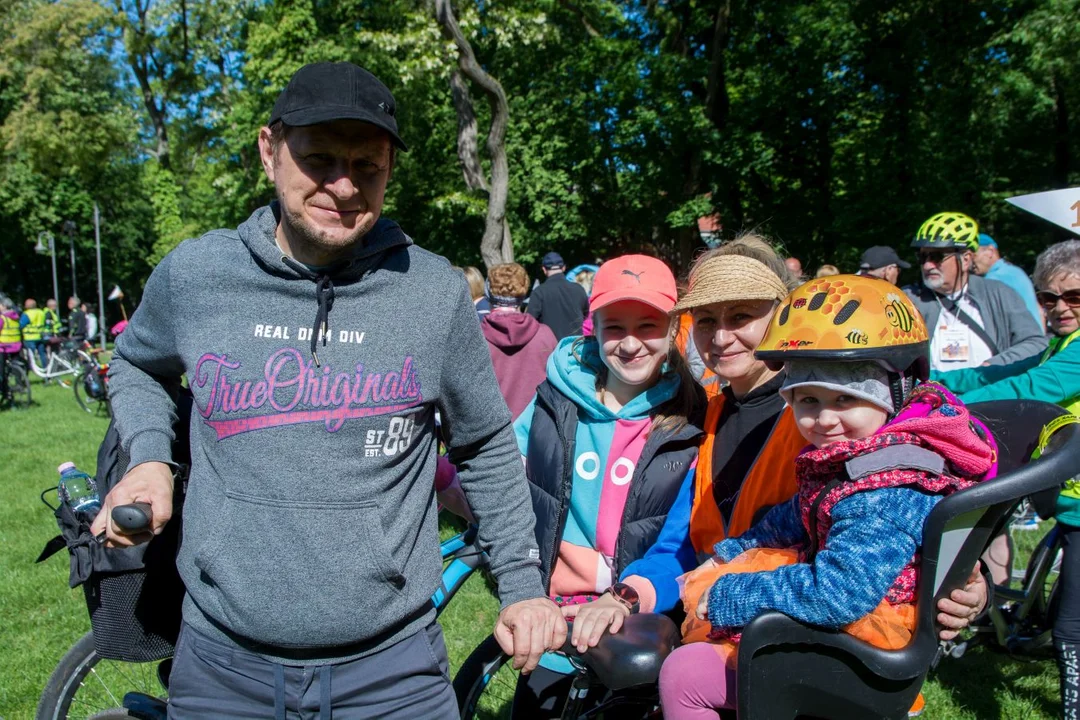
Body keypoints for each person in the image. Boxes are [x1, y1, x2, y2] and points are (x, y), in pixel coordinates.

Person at [91, 61, 565, 719]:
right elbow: (136, 363)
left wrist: (522, 586)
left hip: (394, 674)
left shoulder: (431, 293)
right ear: (269, 150)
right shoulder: (199, 275)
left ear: (390, 168)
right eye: (318, 160)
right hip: (225, 671)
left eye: (366, 167)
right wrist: (148, 457)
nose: (342, 186)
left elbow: (484, 442)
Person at [567, 237, 987, 672]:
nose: (721, 336)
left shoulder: (826, 421)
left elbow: (908, 505)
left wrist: (968, 582)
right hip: (712, 625)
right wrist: (625, 597)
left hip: (809, 650)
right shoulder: (705, 413)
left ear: (782, 316)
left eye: (742, 316)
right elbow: (680, 544)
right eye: (707, 319)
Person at [658, 275, 998, 719]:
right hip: (840, 632)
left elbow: (840, 593)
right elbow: (794, 515)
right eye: (807, 400)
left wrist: (730, 593)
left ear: (894, 395)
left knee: (685, 674)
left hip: (860, 650)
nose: (824, 419)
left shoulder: (886, 486)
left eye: (845, 398)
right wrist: (731, 552)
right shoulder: (855, 459)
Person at [511, 254, 706, 716]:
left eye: (649, 325)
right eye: (615, 326)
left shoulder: (695, 416)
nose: (631, 343)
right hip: (553, 614)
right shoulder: (554, 399)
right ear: (592, 327)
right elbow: (502, 473)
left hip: (641, 620)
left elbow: (688, 532)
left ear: (674, 329)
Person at [933, 239, 1080, 720]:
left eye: (1074, 297)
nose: (1059, 308)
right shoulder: (1064, 342)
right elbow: (1005, 369)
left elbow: (1035, 387)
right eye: (1048, 298)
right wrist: (934, 381)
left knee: (1072, 628)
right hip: (1068, 500)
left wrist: (950, 408)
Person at [904, 212, 1046, 372]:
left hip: (987, 392)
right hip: (931, 394)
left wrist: (992, 367)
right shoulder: (908, 300)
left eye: (936, 257)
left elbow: (1035, 343)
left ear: (965, 259)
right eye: (923, 257)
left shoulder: (999, 293)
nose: (927, 266)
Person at [481, 263, 557, 420]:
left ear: (488, 292)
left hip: (492, 434)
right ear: (523, 293)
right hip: (535, 429)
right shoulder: (545, 335)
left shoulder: (474, 338)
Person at [973, 233, 1043, 326]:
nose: (969, 261)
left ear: (990, 251)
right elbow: (1039, 311)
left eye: (973, 255)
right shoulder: (1015, 271)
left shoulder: (993, 280)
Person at [527, 252, 589, 340]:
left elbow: (530, 321)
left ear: (544, 269)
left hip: (551, 348)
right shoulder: (579, 289)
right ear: (563, 267)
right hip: (576, 347)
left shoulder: (539, 292)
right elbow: (586, 314)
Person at [0, 294, 22, 395]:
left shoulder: (2, 318)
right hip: (16, 345)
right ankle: (19, 383)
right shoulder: (16, 317)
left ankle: (3, 387)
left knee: (1, 369)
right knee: (16, 365)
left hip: (4, 347)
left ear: (4, 306)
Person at [20, 298, 48, 368]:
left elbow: (21, 325)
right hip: (40, 337)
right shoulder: (41, 312)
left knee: (31, 355)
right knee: (42, 354)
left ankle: (31, 368)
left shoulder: (27, 314)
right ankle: (46, 367)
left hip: (29, 337)